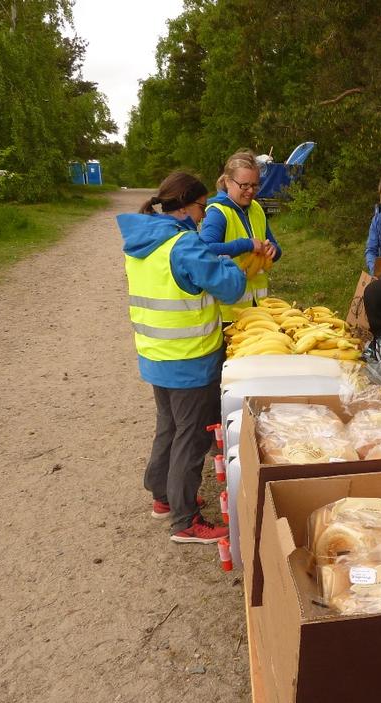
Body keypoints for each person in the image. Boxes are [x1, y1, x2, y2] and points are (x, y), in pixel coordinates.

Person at [117, 171, 246, 544]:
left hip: (155, 356)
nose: (204, 215)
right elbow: (232, 288)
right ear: (186, 205)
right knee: (190, 437)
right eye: (202, 207)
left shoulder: (143, 242)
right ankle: (185, 519)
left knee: (169, 427)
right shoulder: (184, 245)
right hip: (189, 360)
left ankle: (163, 496)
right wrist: (234, 265)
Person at [200, 150, 282, 323]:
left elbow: (275, 246)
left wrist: (273, 250)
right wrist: (247, 245)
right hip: (229, 312)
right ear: (228, 182)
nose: (250, 191)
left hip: (258, 307)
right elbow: (205, 250)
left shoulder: (256, 209)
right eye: (244, 185)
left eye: (255, 185)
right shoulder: (217, 212)